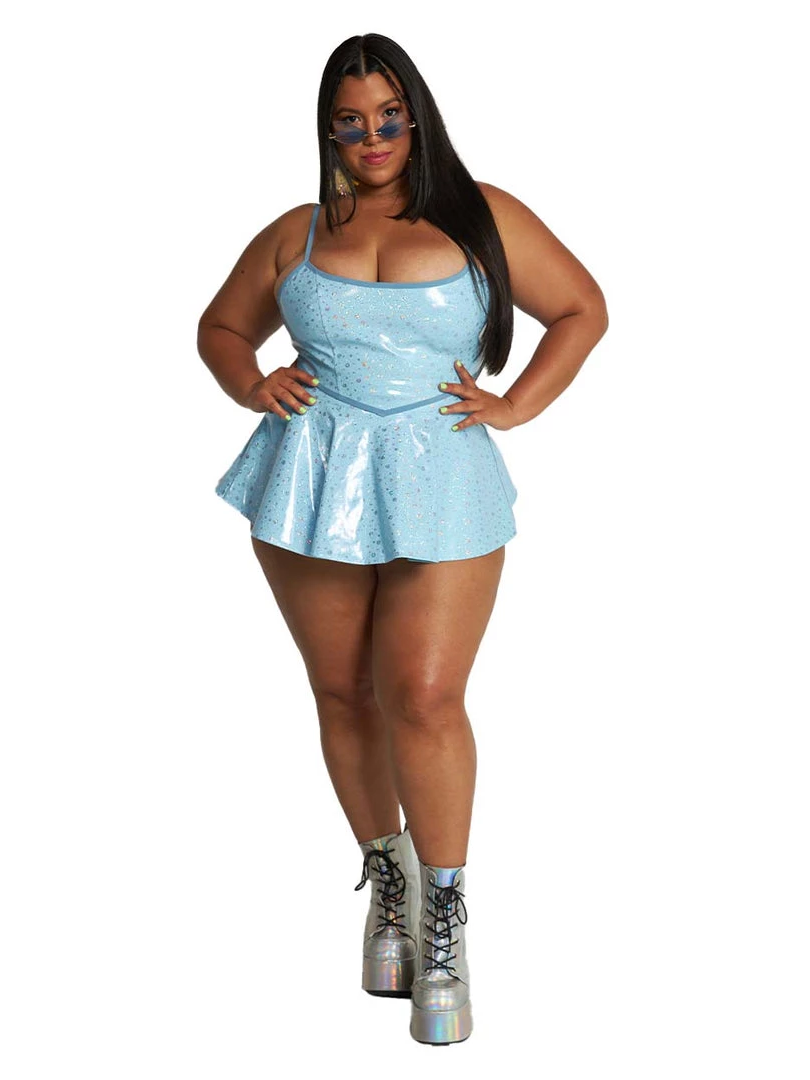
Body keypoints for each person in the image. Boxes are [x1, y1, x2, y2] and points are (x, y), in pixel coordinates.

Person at [197, 34, 608, 1046]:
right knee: (345, 692)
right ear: (327, 128)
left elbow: (580, 309)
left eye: (388, 116)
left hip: (442, 475)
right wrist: (251, 382)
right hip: (310, 475)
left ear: (414, 117)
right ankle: (390, 882)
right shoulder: (295, 232)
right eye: (350, 121)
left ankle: (445, 923)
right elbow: (220, 328)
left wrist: (515, 406)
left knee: (422, 696)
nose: (371, 136)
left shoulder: (483, 214)